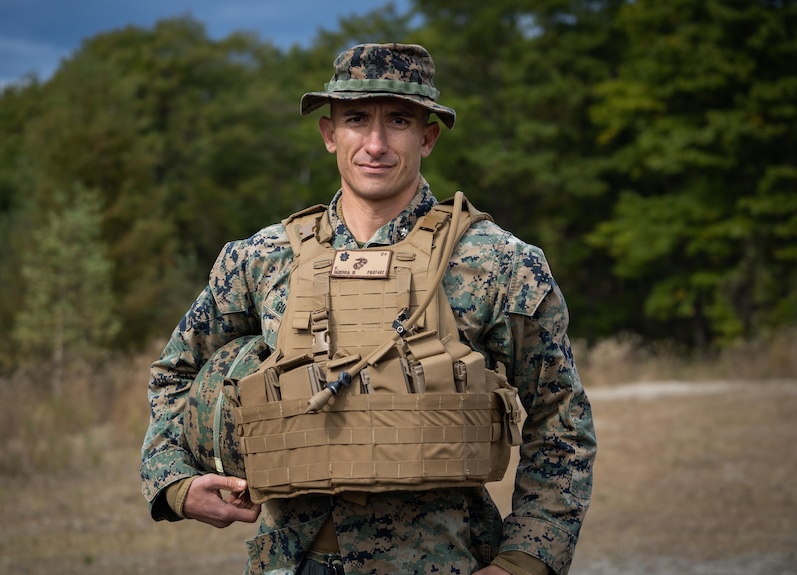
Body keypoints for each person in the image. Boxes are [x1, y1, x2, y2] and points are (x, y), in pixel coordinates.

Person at [141, 43, 596, 575]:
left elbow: (559, 419)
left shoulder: (499, 263)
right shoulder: (261, 259)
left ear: (427, 137)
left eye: (398, 121)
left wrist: (526, 560)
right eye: (356, 119)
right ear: (330, 133)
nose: (375, 144)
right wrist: (174, 480)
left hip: (443, 560)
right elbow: (176, 373)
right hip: (290, 561)